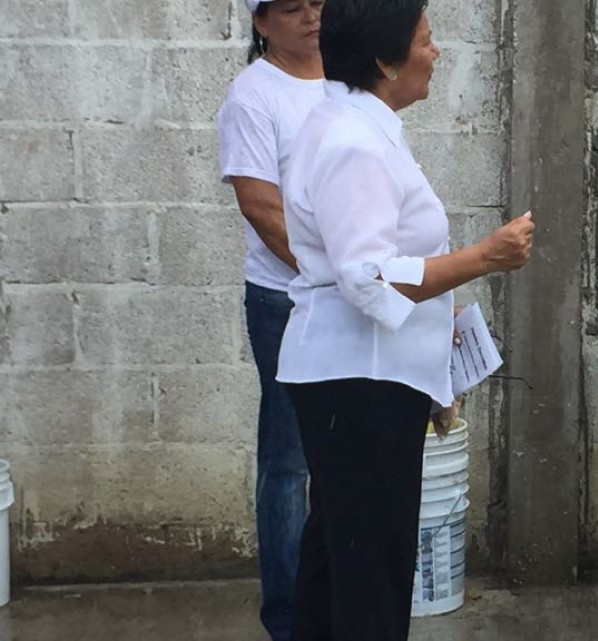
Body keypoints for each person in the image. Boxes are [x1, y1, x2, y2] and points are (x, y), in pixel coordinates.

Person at [276, 0, 534, 638]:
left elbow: (378, 266)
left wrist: (438, 327)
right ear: (386, 62)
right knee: (370, 572)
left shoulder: (358, 124)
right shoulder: (352, 142)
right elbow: (368, 277)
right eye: (426, 39)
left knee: (339, 556)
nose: (436, 52)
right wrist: (482, 259)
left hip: (363, 378)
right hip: (357, 383)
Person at [215, 1, 325, 639]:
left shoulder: (348, 80)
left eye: (318, 3)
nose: (310, 16)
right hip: (285, 300)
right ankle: (288, 620)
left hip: (347, 293)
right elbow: (261, 205)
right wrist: (329, 272)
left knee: (341, 457)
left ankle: (331, 603)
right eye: (291, 7)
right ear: (262, 23)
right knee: (288, 463)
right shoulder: (253, 96)